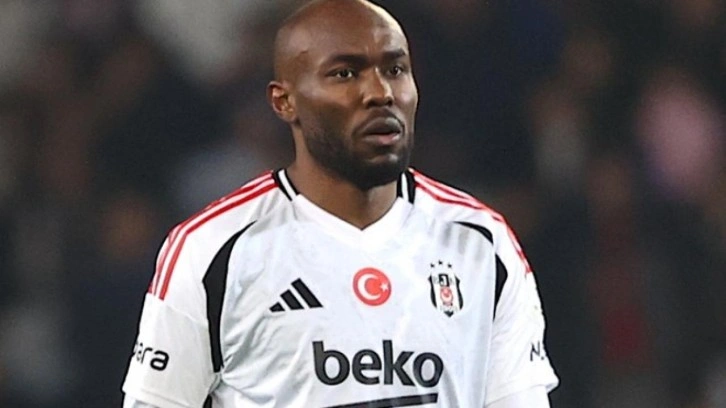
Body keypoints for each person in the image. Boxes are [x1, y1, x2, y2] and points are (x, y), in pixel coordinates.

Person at [121, 0, 559, 407]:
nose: (380, 92)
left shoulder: (481, 243)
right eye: (345, 73)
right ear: (284, 101)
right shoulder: (214, 249)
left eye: (396, 69)